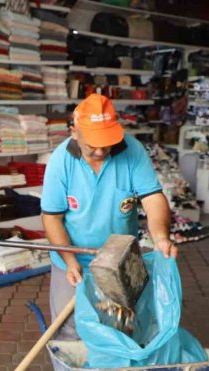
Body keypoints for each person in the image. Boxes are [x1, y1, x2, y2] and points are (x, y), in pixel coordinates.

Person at [41, 93, 177, 340]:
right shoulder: (61, 161)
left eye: (107, 142)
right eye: (92, 144)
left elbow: (153, 199)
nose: (102, 150)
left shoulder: (132, 151)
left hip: (120, 258)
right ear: (74, 131)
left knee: (120, 327)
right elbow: (52, 218)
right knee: (69, 330)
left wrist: (160, 237)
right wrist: (70, 261)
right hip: (73, 258)